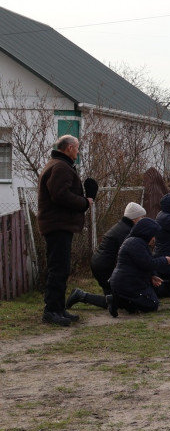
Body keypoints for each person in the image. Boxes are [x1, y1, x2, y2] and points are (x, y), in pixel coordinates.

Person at [36, 134, 94, 326]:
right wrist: (84, 202)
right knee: (58, 269)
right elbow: (61, 195)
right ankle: (51, 311)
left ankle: (58, 309)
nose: (78, 152)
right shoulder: (61, 167)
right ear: (69, 148)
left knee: (60, 268)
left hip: (56, 224)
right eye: (77, 148)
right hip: (57, 225)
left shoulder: (57, 164)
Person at [68, 202, 146, 313]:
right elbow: (129, 256)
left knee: (112, 300)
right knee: (118, 301)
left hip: (100, 265)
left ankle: (80, 295)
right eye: (141, 217)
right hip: (105, 268)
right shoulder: (127, 232)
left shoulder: (122, 227)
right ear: (134, 219)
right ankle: (81, 295)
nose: (143, 220)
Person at [108, 217, 170, 316]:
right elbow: (148, 263)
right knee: (151, 304)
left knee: (153, 300)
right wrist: (165, 260)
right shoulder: (136, 243)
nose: (154, 239)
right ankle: (119, 301)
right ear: (146, 233)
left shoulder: (136, 242)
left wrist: (152, 276)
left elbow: (141, 264)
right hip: (128, 283)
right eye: (152, 235)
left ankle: (119, 300)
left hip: (128, 281)